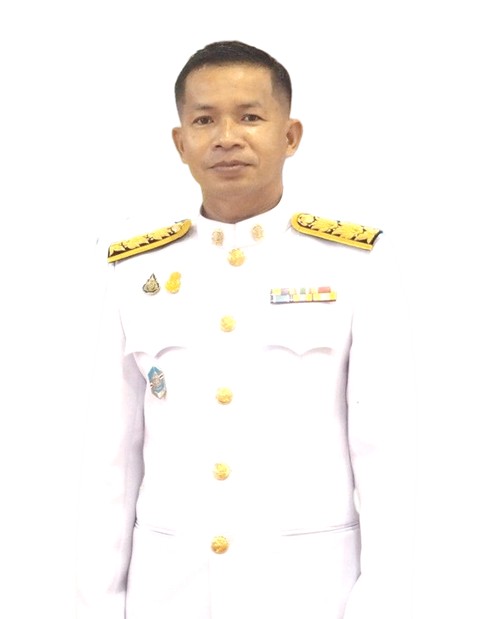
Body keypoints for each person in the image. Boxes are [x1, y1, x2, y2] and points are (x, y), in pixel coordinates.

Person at [76, 40, 416, 619]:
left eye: (250, 117)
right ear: (180, 142)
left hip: (309, 595)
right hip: (170, 595)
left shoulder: (354, 264)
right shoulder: (135, 271)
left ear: (290, 135)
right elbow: (109, 463)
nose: (226, 137)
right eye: (204, 120)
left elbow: (389, 461)